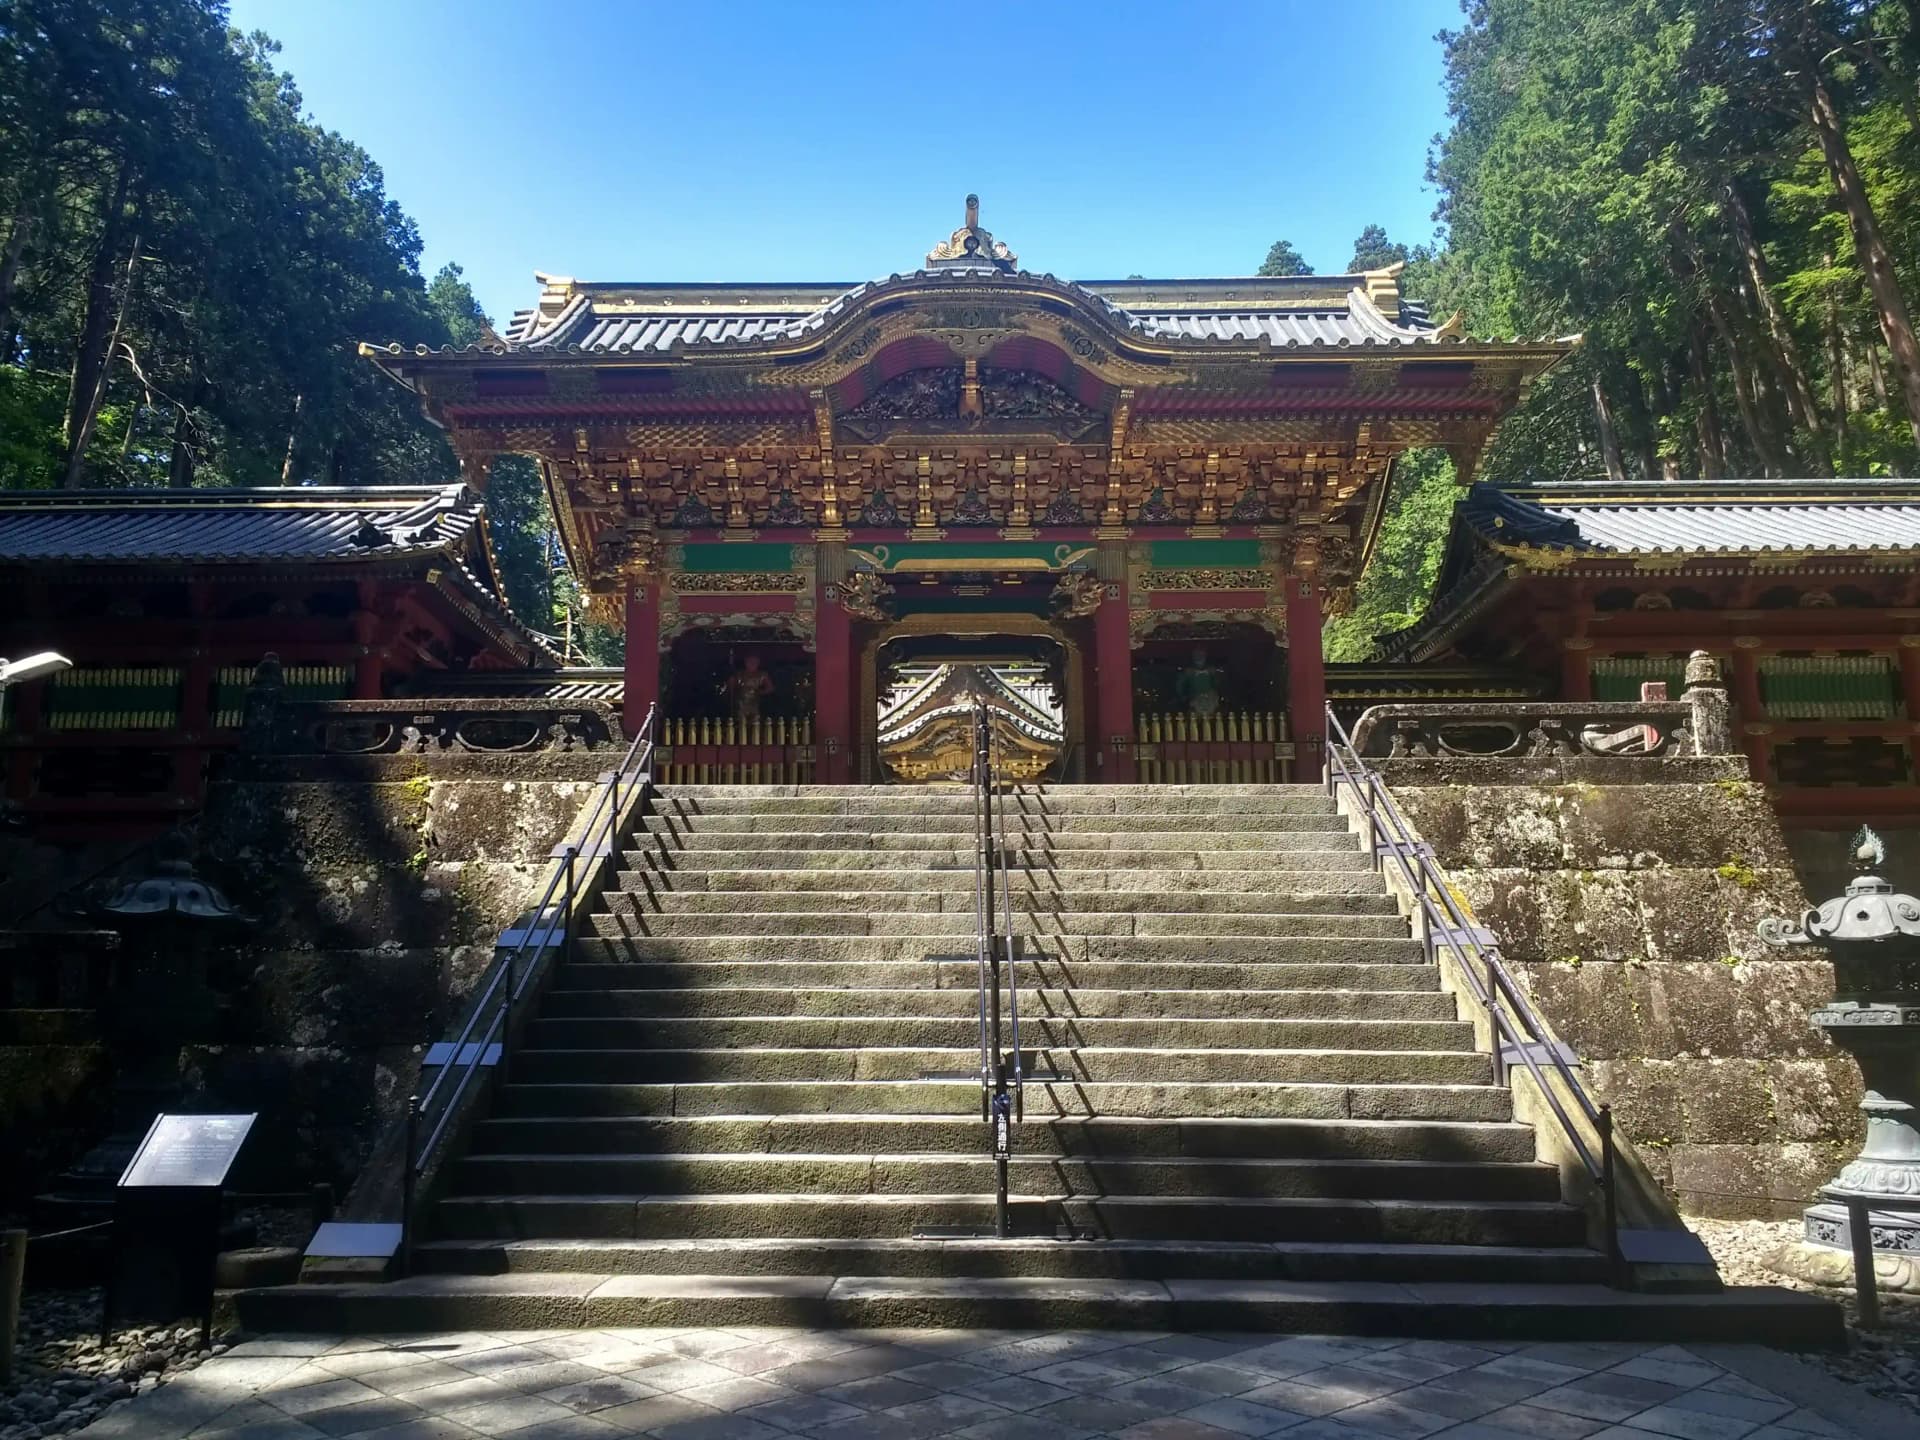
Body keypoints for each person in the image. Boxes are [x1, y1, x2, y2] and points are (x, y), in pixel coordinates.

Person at [724, 653, 774, 724]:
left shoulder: (762, 675)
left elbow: (770, 688)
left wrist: (760, 692)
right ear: (745, 662)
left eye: (754, 662)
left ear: (758, 663)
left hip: (755, 703)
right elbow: (730, 687)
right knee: (741, 722)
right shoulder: (739, 674)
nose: (752, 664)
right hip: (741, 703)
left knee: (755, 722)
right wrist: (731, 682)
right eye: (750, 662)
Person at [1175, 648, 1225, 717]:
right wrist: (1183, 697)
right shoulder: (1188, 671)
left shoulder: (1211, 669)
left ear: (1205, 656)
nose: (1199, 657)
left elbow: (1218, 683)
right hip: (1195, 697)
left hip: (1210, 697)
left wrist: (1215, 674)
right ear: (1193, 657)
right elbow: (1180, 685)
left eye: (1201, 655)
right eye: (1196, 655)